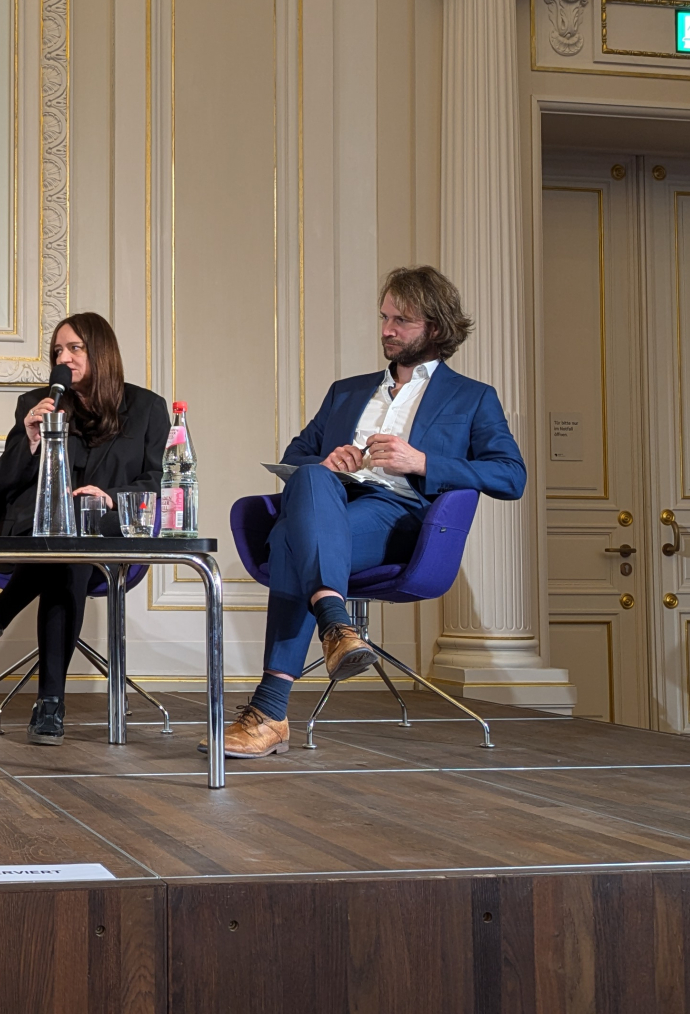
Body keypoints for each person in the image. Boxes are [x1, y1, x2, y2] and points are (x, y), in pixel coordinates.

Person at [220, 265, 525, 758]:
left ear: (436, 327)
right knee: (314, 480)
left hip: (398, 516)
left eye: (401, 320)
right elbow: (295, 457)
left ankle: (271, 710)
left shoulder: (472, 398)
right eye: (384, 317)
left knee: (292, 542)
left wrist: (422, 461)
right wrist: (326, 461)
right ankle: (337, 626)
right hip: (335, 501)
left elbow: (511, 476)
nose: (386, 329)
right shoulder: (347, 391)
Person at [0, 313, 170, 745]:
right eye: (57, 351)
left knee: (72, 551)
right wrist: (30, 437)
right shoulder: (37, 403)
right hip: (34, 531)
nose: (64, 357)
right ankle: (49, 703)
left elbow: (156, 482)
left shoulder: (146, 408)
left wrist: (109, 498)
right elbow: (2, 485)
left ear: (101, 352)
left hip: (106, 534)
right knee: (66, 553)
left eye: (75, 348)